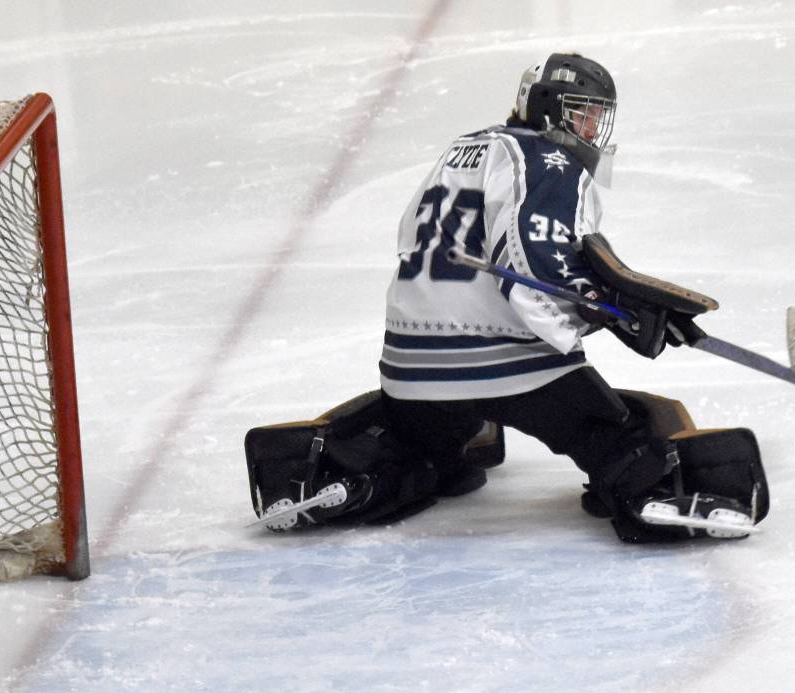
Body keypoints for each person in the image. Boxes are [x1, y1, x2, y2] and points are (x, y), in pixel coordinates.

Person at [244, 53, 768, 541]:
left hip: (411, 370)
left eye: (596, 116)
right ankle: (658, 488)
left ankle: (347, 481)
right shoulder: (549, 159)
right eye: (583, 114)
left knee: (421, 448)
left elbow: (410, 238)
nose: (590, 129)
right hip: (513, 369)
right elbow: (533, 255)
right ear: (547, 109)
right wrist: (602, 309)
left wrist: (619, 303)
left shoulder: (462, 147)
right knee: (624, 428)